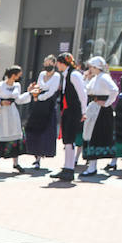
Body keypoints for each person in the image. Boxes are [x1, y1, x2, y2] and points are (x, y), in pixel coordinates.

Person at [47, 53, 87, 182]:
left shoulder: (74, 75)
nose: (56, 65)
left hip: (73, 110)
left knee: (70, 139)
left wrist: (83, 111)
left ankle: (69, 169)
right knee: (68, 140)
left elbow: (82, 93)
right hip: (67, 110)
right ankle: (67, 168)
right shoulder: (66, 75)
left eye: (58, 63)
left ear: (62, 63)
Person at [0, 65, 29, 173]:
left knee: (15, 137)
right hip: (0, 114)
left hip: (12, 114)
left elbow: (18, 99)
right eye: (18, 75)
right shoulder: (0, 86)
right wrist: (0, 102)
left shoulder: (17, 86)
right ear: (13, 75)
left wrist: (29, 93)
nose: (20, 77)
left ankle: (16, 163)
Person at [79, 56, 118, 175]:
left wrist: (106, 103)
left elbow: (114, 90)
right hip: (94, 108)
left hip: (101, 111)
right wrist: (86, 78)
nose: (90, 68)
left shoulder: (103, 77)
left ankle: (92, 167)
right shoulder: (96, 78)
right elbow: (87, 90)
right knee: (90, 135)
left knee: (95, 136)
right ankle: (92, 166)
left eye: (91, 66)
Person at [24, 55, 61, 169]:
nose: (47, 66)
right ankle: (35, 156)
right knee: (33, 129)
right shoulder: (41, 74)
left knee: (45, 131)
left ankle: (41, 156)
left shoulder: (56, 76)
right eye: (45, 64)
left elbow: (52, 91)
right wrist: (34, 93)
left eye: (49, 64)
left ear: (54, 64)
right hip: (38, 104)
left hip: (48, 105)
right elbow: (39, 86)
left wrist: (39, 97)